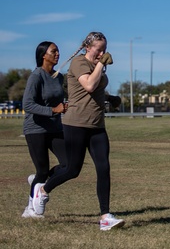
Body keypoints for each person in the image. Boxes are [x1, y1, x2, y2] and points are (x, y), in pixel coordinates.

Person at [31, 32, 125, 230]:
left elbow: (95, 90)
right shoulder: (78, 63)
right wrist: (101, 64)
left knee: (104, 168)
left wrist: (110, 98)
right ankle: (44, 190)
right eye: (99, 49)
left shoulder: (98, 64)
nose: (102, 53)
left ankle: (105, 217)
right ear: (87, 48)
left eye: (104, 49)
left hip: (97, 125)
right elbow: (89, 85)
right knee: (72, 170)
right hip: (76, 124)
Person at [21, 41, 67, 219]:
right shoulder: (36, 76)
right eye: (53, 51)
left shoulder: (59, 77)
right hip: (35, 129)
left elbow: (59, 101)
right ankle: (30, 209)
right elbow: (28, 104)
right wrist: (52, 110)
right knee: (42, 170)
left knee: (68, 164)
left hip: (55, 128)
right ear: (43, 55)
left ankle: (37, 181)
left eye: (58, 51)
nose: (57, 54)